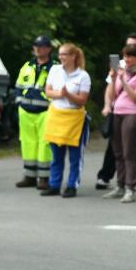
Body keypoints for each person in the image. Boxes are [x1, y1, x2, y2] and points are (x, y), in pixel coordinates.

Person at [97, 33, 136, 190]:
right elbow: (110, 89)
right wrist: (107, 105)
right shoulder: (118, 64)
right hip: (118, 111)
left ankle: (131, 182)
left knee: (133, 150)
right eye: (128, 47)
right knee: (115, 148)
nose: (130, 51)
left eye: (134, 47)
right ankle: (107, 177)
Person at [41, 43, 91, 198]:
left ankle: (72, 185)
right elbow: (48, 91)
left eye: (64, 54)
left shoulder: (83, 76)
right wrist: (60, 94)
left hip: (74, 119)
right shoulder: (55, 70)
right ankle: (54, 184)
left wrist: (68, 95)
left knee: (75, 157)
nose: (61, 57)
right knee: (56, 156)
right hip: (56, 116)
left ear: (73, 56)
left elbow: (82, 100)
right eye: (60, 54)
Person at [13, 35, 56, 189]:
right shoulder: (27, 66)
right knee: (27, 143)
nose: (38, 49)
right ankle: (29, 176)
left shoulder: (55, 68)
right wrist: (19, 102)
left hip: (46, 111)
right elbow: (18, 86)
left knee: (45, 144)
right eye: (36, 46)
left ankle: (44, 178)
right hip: (25, 111)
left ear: (49, 49)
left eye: (42, 46)